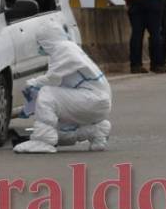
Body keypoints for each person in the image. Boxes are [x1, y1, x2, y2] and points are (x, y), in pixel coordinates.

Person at [14, 20, 112, 154]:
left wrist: (33, 83)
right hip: (96, 102)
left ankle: (43, 141)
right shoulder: (69, 48)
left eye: (40, 43)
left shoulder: (63, 49)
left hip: (92, 99)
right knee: (59, 127)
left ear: (46, 40)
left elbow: (52, 80)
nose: (39, 47)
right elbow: (60, 83)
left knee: (46, 94)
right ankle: (97, 132)